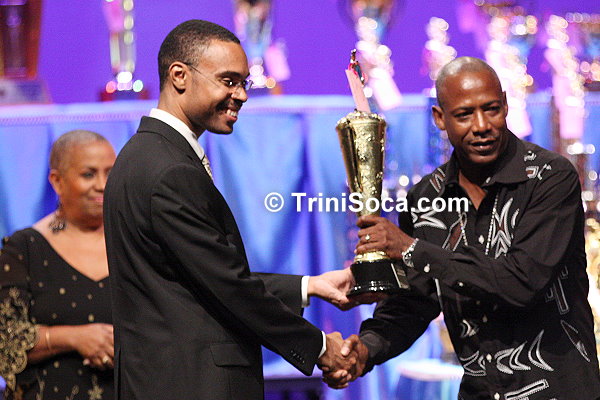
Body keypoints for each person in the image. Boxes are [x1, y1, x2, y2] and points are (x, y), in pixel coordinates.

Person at [103, 19, 356, 400]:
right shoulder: (170, 170)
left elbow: (197, 276)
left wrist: (309, 286)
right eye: (229, 81)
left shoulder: (144, 154)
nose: (242, 95)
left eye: (244, 83)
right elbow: (228, 287)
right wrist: (321, 347)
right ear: (179, 76)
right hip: (191, 386)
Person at [326, 57, 600, 399]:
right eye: (464, 114)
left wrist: (411, 249)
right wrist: (366, 350)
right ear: (440, 118)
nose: (481, 125)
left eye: (491, 109)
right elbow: (414, 302)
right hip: (480, 391)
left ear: (505, 105)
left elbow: (521, 281)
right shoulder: (426, 198)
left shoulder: (549, 178)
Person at [0, 130, 116, 400]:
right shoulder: (25, 249)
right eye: (88, 174)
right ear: (57, 180)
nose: (102, 185)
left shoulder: (135, 244)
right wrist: (74, 338)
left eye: (110, 173)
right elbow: (5, 338)